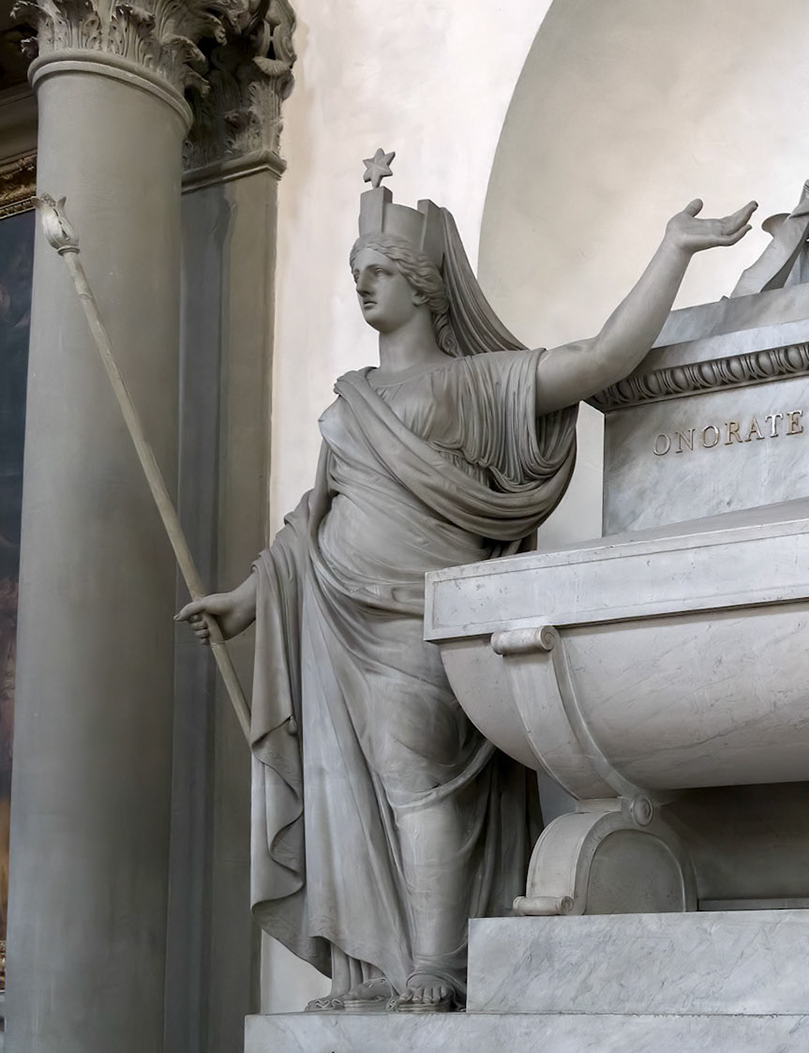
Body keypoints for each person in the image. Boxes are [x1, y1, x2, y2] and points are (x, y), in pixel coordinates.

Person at [178, 166, 753, 1012]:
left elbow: (599, 361)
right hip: (332, 614)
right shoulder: (351, 402)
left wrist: (672, 252)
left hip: (421, 618)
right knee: (354, 795)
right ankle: (377, 968)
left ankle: (439, 966)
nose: (363, 284)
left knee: (418, 784)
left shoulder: (478, 384)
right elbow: (310, 523)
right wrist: (246, 599)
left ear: (421, 283)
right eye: (356, 272)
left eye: (378, 270)